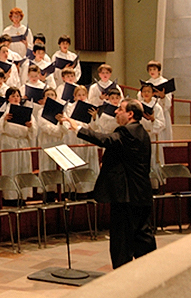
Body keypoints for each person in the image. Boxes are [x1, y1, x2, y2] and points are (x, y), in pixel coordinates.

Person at [64, 99, 156, 269]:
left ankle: (122, 282)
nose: (115, 112)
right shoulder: (141, 132)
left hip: (126, 196)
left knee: (122, 242)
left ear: (130, 114)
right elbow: (124, 155)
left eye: (119, 109)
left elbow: (106, 140)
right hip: (141, 194)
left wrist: (77, 128)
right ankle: (149, 277)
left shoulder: (128, 131)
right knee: (143, 238)